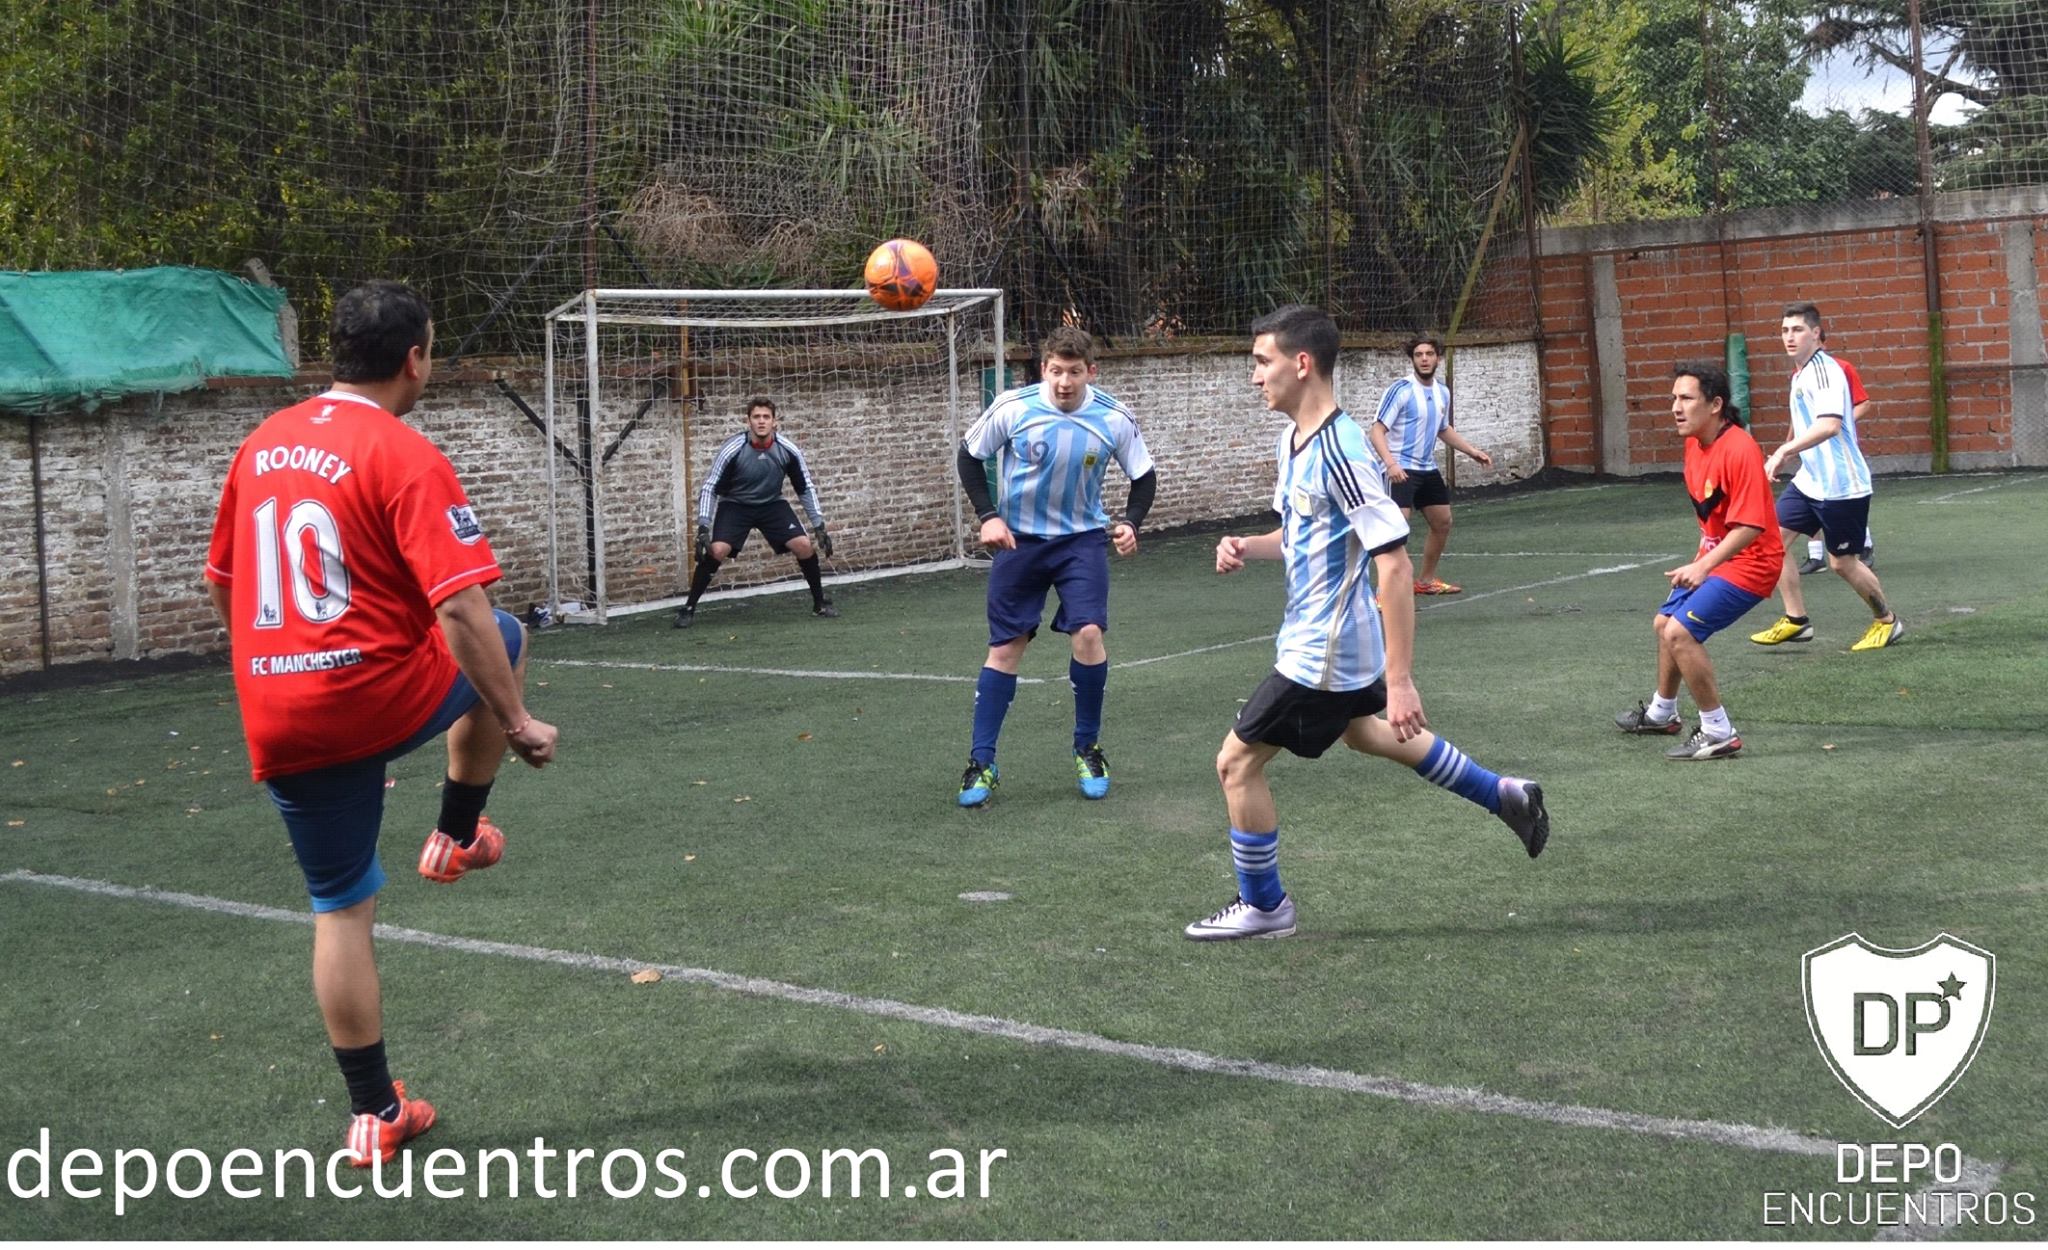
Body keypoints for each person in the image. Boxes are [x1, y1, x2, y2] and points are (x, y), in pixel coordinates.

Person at [203, 280, 559, 1165]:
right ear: (415, 360)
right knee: (506, 635)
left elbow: (222, 584)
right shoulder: (404, 453)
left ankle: (373, 1115)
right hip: (369, 695)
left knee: (339, 910)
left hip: (278, 711)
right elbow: (462, 610)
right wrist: (518, 722)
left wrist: (272, 669)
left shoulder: (263, 443)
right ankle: (457, 834)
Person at [1186, 305, 1546, 942]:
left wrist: (1401, 680)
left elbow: (1396, 564)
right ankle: (1504, 794)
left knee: (1235, 764)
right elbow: (1298, 536)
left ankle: (1265, 907)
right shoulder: (1294, 440)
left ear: (1301, 364)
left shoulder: (1343, 451)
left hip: (1321, 652)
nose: (1255, 376)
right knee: (1364, 735)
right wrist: (1246, 545)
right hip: (1332, 642)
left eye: (1262, 362)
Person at [953, 326, 1158, 807]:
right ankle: (982, 763)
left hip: (1080, 542)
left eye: (1075, 372)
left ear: (1091, 371)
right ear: (1044, 369)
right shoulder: (1013, 407)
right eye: (1056, 371)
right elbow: (969, 456)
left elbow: (1144, 476)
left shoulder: (1113, 417)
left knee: (1088, 633)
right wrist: (988, 515)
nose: (1065, 381)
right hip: (1019, 541)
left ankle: (1088, 748)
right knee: (1007, 647)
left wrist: (1131, 522)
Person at [1614, 363, 1784, 760]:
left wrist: (1704, 567)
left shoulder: (1740, 448)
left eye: (1686, 398)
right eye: (1674, 398)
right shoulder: (1695, 443)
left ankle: (1718, 731)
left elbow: (1750, 526)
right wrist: (1700, 559)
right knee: (1664, 625)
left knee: (1681, 633)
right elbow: (1712, 517)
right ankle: (1662, 713)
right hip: (1718, 557)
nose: (1676, 407)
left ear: (1715, 405)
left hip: (1753, 562)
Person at [1750, 303, 1904, 651]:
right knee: (1769, 540)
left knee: (1842, 563)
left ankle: (1887, 621)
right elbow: (1806, 423)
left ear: (1816, 333)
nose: (1789, 337)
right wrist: (1787, 451)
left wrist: (1784, 451)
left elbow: (1831, 425)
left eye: (1798, 330)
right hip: (1810, 481)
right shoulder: (1800, 374)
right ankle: (1796, 621)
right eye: (1785, 330)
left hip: (1841, 486)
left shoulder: (1826, 371)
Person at [674, 396, 837, 627]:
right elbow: (710, 487)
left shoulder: (787, 449)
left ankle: (819, 603)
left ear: (774, 422)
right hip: (735, 505)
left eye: (766, 417)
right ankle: (689, 608)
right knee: (717, 550)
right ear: (748, 421)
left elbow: (805, 487)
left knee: (804, 545)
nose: (761, 421)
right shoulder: (733, 449)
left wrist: (819, 524)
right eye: (756, 417)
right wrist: (703, 527)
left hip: (771, 504)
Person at [1368, 334, 1494, 595]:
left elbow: (1442, 428)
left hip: (1426, 468)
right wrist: (1390, 464)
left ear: (1438, 358)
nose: (1424, 359)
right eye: (1418, 355)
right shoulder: (1401, 390)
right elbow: (1377, 431)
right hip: (1400, 468)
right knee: (1394, 530)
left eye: (1429, 354)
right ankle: (1383, 592)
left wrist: (1472, 451)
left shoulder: (1442, 392)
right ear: (1412, 359)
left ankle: (1425, 581)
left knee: (1443, 522)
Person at [1799, 331, 1875, 574]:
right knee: (1807, 499)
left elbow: (1864, 403)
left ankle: (1864, 546)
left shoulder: (1839, 368)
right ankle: (1815, 555)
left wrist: (1840, 421)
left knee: (1843, 499)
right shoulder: (1799, 374)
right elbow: (1799, 414)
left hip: (1837, 455)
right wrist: (1790, 443)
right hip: (1812, 454)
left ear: (1821, 341)